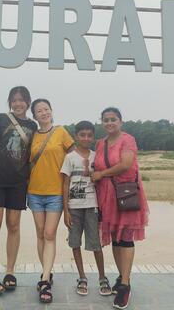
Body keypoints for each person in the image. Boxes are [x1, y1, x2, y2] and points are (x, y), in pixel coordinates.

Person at [92, 107, 149, 310]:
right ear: (102, 122)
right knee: (115, 237)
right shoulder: (100, 143)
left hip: (124, 193)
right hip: (106, 195)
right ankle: (122, 276)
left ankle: (125, 284)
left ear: (120, 121)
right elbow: (95, 165)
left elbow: (125, 164)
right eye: (106, 119)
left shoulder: (128, 140)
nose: (109, 123)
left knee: (125, 238)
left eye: (113, 119)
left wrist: (101, 174)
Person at [0, 86, 37, 296]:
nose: (18, 103)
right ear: (9, 102)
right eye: (14, 100)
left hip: (18, 182)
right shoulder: (0, 119)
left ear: (28, 102)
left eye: (21, 100)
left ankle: (10, 271)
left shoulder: (32, 125)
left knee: (13, 226)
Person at [28, 98, 74, 304]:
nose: (44, 113)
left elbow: (74, 157)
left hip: (56, 192)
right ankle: (47, 272)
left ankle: (44, 280)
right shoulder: (32, 136)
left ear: (51, 111)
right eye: (39, 111)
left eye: (46, 109)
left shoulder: (61, 132)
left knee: (49, 234)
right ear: (34, 116)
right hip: (34, 191)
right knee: (40, 233)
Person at [61, 120, 112, 297]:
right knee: (75, 242)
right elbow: (65, 184)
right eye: (82, 135)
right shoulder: (69, 157)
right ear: (76, 136)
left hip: (92, 206)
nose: (86, 138)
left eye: (89, 135)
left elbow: (101, 179)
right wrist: (66, 211)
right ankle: (82, 277)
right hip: (74, 207)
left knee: (96, 243)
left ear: (93, 137)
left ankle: (102, 277)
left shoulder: (96, 156)